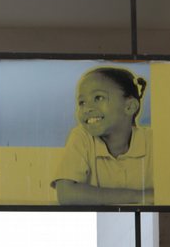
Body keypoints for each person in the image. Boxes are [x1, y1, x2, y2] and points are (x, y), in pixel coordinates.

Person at [51, 67, 153, 205]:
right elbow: (66, 195)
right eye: (82, 102)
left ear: (129, 106)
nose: (87, 108)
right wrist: (140, 197)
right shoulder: (82, 136)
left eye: (98, 98)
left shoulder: (153, 141)